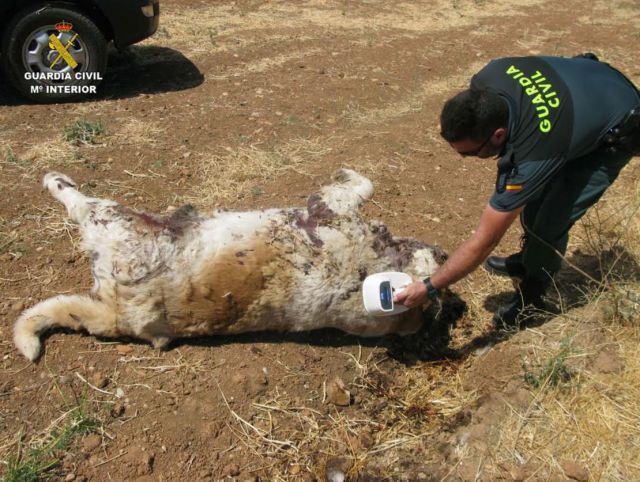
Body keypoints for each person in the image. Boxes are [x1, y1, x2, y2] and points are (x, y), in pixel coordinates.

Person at [394, 54, 640, 328]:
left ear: (498, 135)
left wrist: (428, 286)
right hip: (590, 84)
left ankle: (532, 299)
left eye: (470, 154)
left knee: (549, 222)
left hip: (618, 122)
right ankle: (527, 261)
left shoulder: (534, 154)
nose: (466, 159)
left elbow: (484, 241)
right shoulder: (488, 76)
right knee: (533, 202)